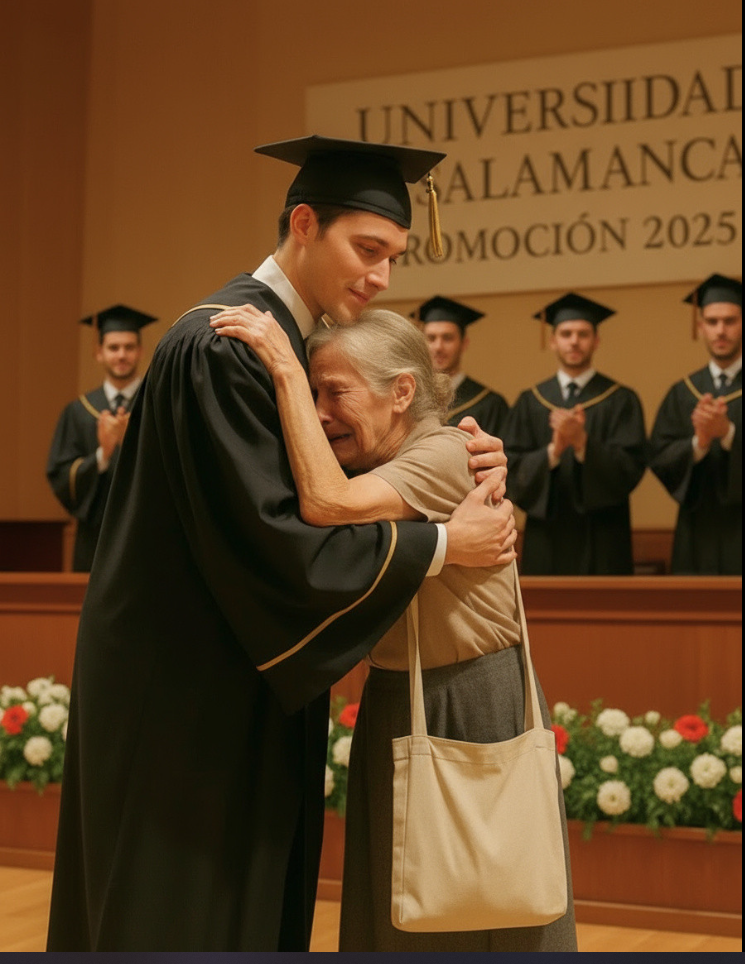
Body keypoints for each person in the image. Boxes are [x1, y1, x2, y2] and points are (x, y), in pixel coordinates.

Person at [46, 135, 518, 953]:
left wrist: (456, 449)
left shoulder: (291, 345)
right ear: (304, 223)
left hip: (239, 673)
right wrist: (443, 544)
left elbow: (350, 477)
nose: (380, 279)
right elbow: (279, 540)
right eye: (366, 249)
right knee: (183, 916)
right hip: (185, 692)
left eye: (393, 258)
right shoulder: (224, 346)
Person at [210, 305, 577, 952]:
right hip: (395, 697)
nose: (322, 412)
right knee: (402, 913)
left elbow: (326, 506)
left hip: (470, 699)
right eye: (314, 391)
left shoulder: (443, 451)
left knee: (491, 906)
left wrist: (288, 375)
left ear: (402, 391)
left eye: (336, 392)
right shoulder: (377, 460)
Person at [502, 293, 647, 575]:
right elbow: (510, 468)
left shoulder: (621, 400)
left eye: (583, 334)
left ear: (596, 341)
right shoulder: (531, 401)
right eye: (566, 333)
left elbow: (632, 468)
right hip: (545, 537)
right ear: (553, 340)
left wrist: (583, 443)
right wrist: (553, 451)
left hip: (605, 536)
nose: (574, 341)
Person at [45, 305, 156, 571]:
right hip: (94, 538)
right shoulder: (78, 411)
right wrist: (102, 456)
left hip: (147, 535)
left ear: (140, 352)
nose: (122, 355)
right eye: (113, 347)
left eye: (129, 347)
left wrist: (136, 444)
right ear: (99, 353)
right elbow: (60, 476)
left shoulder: (154, 406)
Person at [649, 273, 742, 575]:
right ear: (700, 327)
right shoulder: (683, 392)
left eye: (730, 321)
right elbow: (659, 457)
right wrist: (699, 442)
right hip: (695, 532)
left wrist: (727, 434)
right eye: (712, 322)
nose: (721, 331)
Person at [416, 294, 509, 434]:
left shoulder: (490, 404)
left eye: (447, 338)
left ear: (464, 344)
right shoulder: (410, 399)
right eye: (431, 338)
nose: (438, 347)